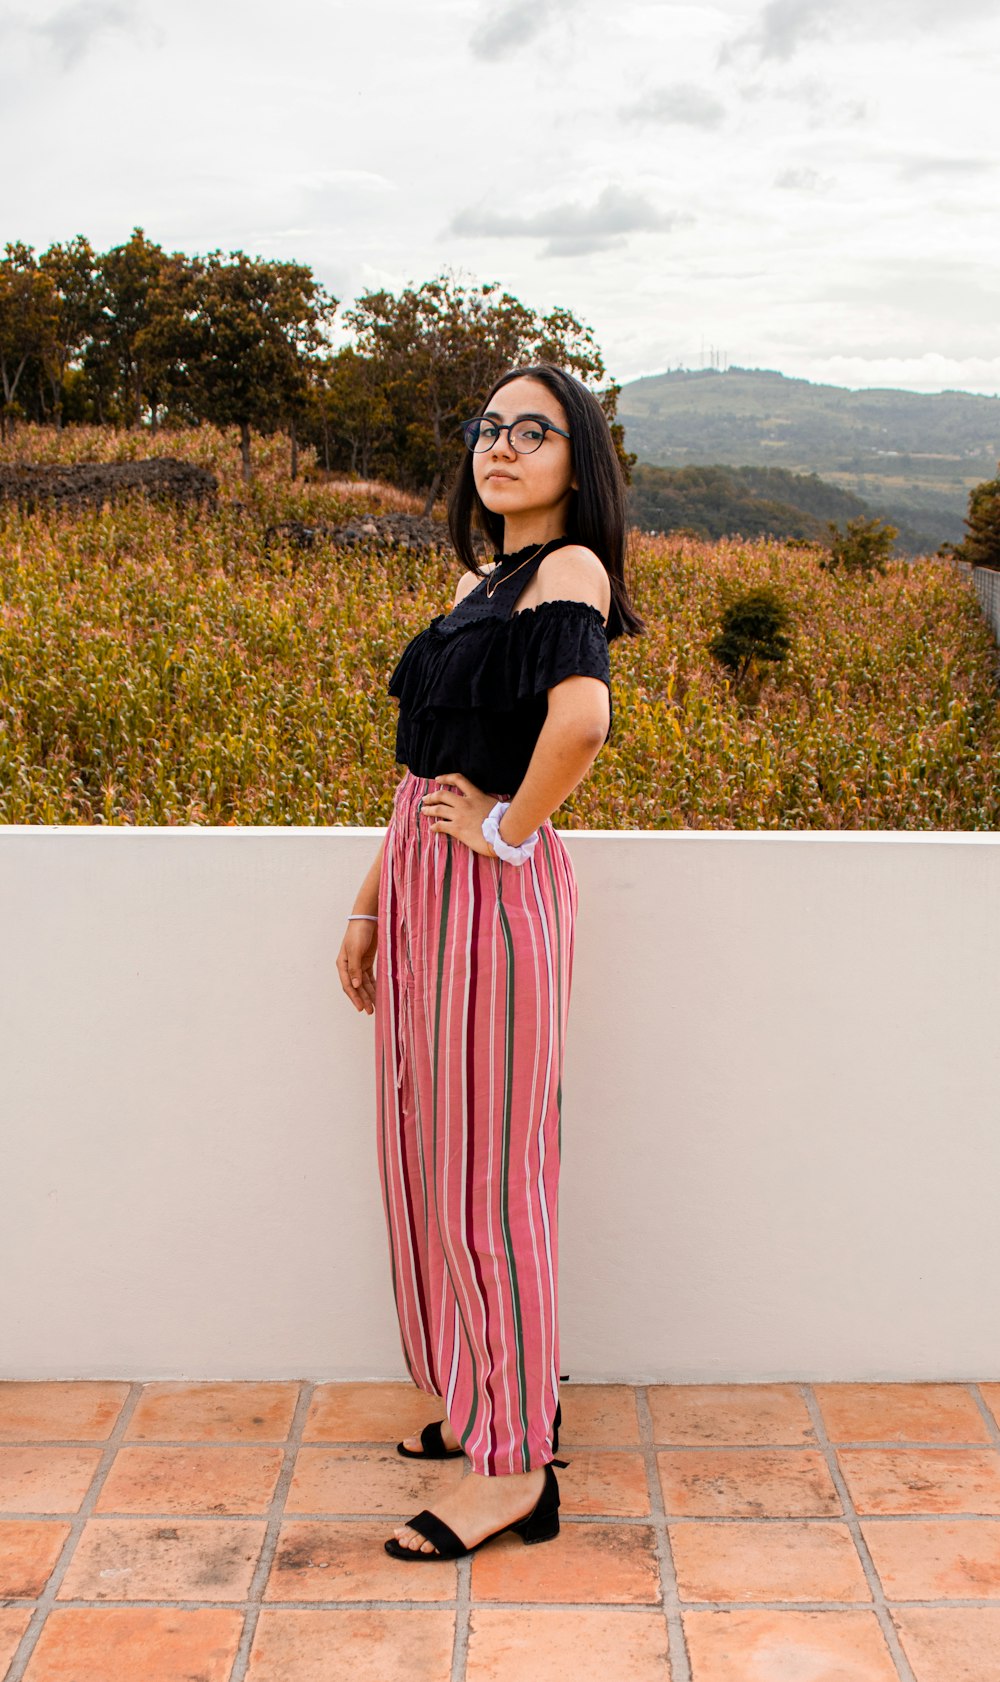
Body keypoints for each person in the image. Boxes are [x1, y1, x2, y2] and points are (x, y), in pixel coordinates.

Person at [336, 361, 644, 1561]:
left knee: (487, 1184)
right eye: (488, 426)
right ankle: (487, 1397)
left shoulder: (567, 567)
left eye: (536, 429)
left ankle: (514, 1466)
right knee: (431, 1160)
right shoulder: (482, 577)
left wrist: (509, 832)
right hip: (427, 886)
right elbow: (427, 772)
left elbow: (580, 720)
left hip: (491, 896)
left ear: (580, 460)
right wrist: (371, 901)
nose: (502, 445)